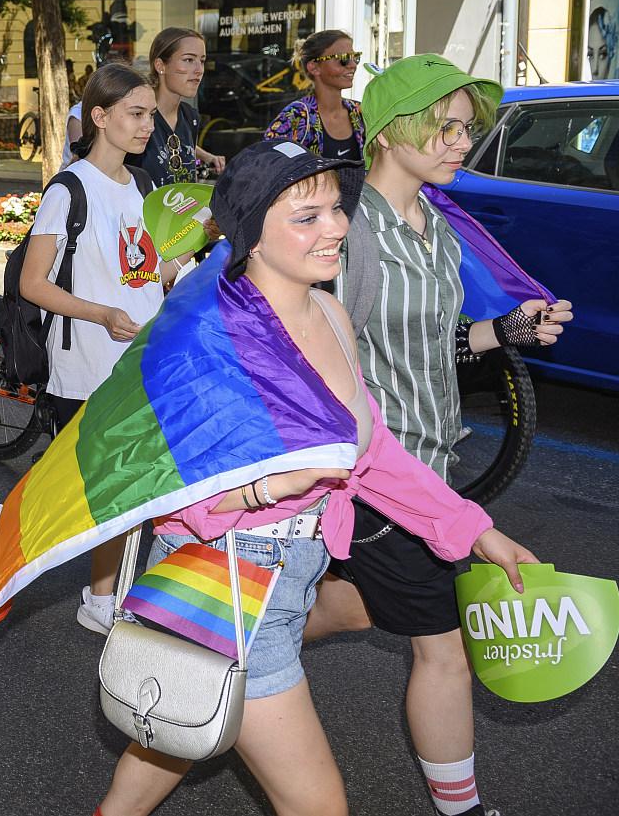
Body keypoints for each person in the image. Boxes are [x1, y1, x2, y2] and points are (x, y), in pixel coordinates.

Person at [95, 141, 537, 816]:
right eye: (307, 216)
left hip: (296, 569)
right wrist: (272, 486)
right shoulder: (205, 336)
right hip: (228, 581)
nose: (335, 227)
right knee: (317, 803)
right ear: (250, 234)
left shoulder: (329, 312)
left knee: (183, 719)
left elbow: (374, 452)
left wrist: (475, 531)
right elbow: (158, 481)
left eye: (336, 208)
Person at [305, 54, 573, 816]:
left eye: (465, 128)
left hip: (434, 465)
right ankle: (463, 809)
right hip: (377, 475)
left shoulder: (440, 230)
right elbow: (312, 351)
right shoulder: (347, 233)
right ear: (390, 133)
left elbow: (437, 343)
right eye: (445, 126)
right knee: (444, 647)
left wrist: (507, 329)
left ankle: (246, 634)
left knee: (355, 607)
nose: (462, 141)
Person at [19, 64, 186, 633]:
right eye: (135, 114)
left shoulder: (143, 185)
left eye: (149, 115)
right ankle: (26, 516)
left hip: (140, 359)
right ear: (99, 116)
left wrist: (187, 256)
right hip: (86, 360)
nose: (147, 125)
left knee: (126, 485)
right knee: (101, 487)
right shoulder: (68, 190)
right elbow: (34, 284)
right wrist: (102, 314)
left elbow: (147, 268)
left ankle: (99, 596)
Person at [138, 27, 225, 185]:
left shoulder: (190, 116)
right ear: (160, 65)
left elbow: (181, 144)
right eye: (189, 60)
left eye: (202, 61)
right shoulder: (139, 116)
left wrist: (206, 156)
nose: (199, 70)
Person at [264, 30, 366, 160]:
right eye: (343, 59)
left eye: (355, 57)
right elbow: (267, 162)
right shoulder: (295, 116)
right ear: (314, 67)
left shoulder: (360, 112)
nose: (353, 65)